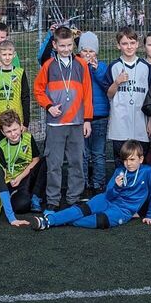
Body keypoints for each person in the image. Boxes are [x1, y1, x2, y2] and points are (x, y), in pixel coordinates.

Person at [29, 140, 151, 231]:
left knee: (100, 221)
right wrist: (117, 186)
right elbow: (109, 194)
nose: (128, 163)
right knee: (82, 210)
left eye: (132, 159)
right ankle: (47, 221)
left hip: (123, 210)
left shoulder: (148, 172)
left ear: (140, 159)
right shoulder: (119, 171)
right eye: (125, 160)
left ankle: (58, 219)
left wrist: (150, 215)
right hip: (106, 199)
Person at [33, 26, 93, 211]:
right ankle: (52, 199)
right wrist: (49, 106)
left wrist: (87, 119)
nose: (66, 49)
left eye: (69, 45)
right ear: (55, 45)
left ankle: (74, 197)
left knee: (76, 162)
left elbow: (87, 93)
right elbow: (38, 90)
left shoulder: (81, 64)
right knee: (54, 164)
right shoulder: (48, 65)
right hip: (55, 124)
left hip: (76, 122)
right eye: (62, 45)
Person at [105, 27, 150, 167]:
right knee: (122, 162)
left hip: (140, 123)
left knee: (140, 161)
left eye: (132, 43)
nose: (129, 46)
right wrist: (117, 82)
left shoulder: (145, 66)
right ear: (118, 45)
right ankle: (121, 188)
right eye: (124, 43)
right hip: (120, 125)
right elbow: (109, 94)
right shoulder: (114, 66)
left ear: (137, 44)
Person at [77, 31, 109, 195]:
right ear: (79, 51)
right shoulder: (77, 67)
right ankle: (82, 185)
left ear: (96, 52)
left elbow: (107, 86)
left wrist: (97, 71)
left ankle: (98, 184)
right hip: (82, 116)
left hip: (100, 115)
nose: (88, 54)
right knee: (83, 153)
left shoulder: (102, 67)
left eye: (91, 51)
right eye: (84, 51)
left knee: (98, 153)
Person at [0, 110, 44, 213]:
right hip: (13, 182)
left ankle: (35, 196)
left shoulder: (28, 137)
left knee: (45, 161)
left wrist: (20, 177)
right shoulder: (1, 146)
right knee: (21, 206)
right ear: (3, 132)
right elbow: (2, 170)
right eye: (8, 131)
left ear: (21, 126)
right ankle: (26, 196)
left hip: (27, 176)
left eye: (15, 129)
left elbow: (36, 160)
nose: (13, 134)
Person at [0, 40, 30, 143]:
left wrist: (26, 122)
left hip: (17, 121)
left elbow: (25, 98)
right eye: (4, 54)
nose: (7, 57)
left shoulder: (20, 72)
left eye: (10, 54)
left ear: (14, 55)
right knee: (1, 150)